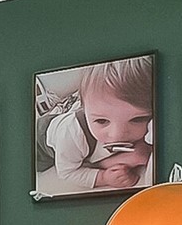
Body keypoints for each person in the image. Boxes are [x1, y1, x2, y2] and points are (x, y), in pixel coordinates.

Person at [38, 56, 156, 197]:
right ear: (83, 106)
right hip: (42, 143)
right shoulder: (71, 136)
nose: (117, 135)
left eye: (138, 119)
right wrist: (103, 177)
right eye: (102, 121)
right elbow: (67, 172)